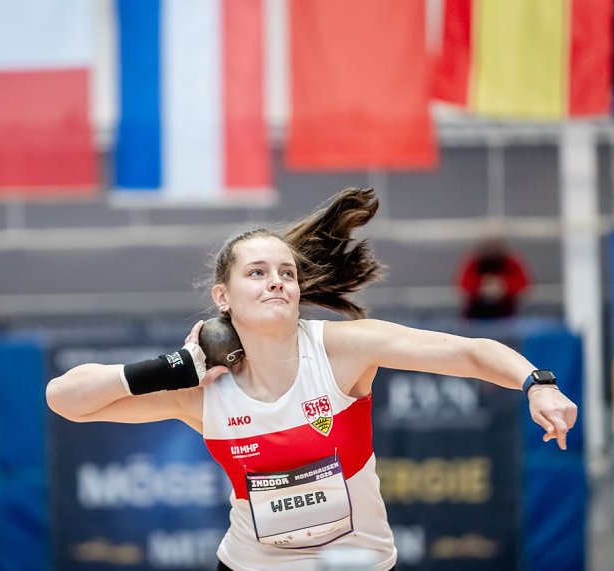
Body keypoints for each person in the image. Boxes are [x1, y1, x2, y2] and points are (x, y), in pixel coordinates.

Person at [46, 188, 578, 571]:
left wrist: (539, 383)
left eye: (287, 273)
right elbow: (66, 399)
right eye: (257, 272)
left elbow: (469, 352)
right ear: (223, 297)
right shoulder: (203, 392)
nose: (276, 282)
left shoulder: (343, 351)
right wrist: (171, 368)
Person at [456, 235, 531, 319]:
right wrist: (481, 288)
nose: (491, 250)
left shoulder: (510, 262)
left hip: (506, 311)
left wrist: (503, 287)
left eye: (494, 246)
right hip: (476, 312)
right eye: (488, 247)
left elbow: (523, 283)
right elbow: (463, 284)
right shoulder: (474, 262)